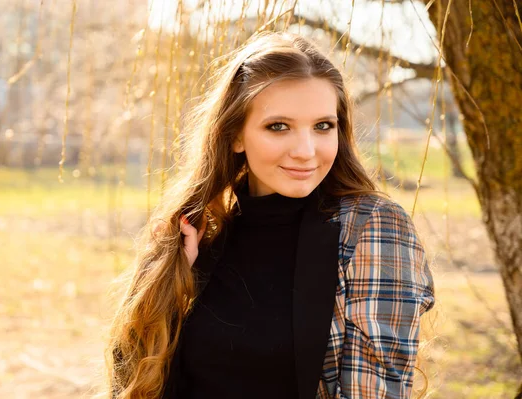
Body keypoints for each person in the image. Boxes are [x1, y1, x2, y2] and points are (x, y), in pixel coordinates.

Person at [105, 31, 435, 399]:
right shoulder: (205, 233)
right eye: (279, 126)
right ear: (235, 135)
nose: (306, 151)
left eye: (323, 126)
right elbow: (133, 379)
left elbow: (375, 393)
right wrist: (174, 282)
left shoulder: (371, 228)